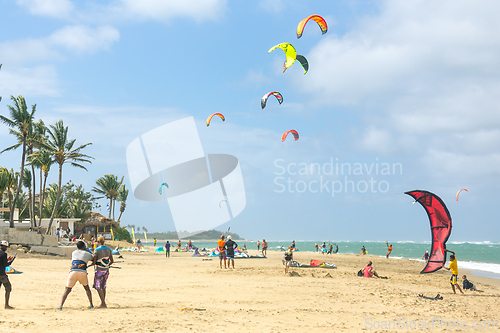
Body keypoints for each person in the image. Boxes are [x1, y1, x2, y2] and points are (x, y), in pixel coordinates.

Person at [58, 241, 94, 310]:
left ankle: (60, 305)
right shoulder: (87, 253)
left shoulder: (73, 252)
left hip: (73, 272)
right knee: (87, 289)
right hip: (82, 273)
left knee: (67, 290)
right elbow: (93, 259)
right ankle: (91, 305)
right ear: (84, 247)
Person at [92, 236, 114, 308]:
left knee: (97, 287)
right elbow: (112, 261)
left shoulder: (96, 250)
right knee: (103, 286)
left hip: (99, 270)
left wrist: (93, 263)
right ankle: (102, 303)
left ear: (98, 242)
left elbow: (94, 261)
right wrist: (107, 265)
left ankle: (103, 303)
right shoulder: (109, 249)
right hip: (106, 270)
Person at [0, 240, 15, 309]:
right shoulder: (4, 254)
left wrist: (7, 260)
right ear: (3, 246)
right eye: (5, 247)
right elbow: (6, 264)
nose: (6, 248)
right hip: (2, 274)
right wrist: (11, 260)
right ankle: (6, 305)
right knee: (8, 287)